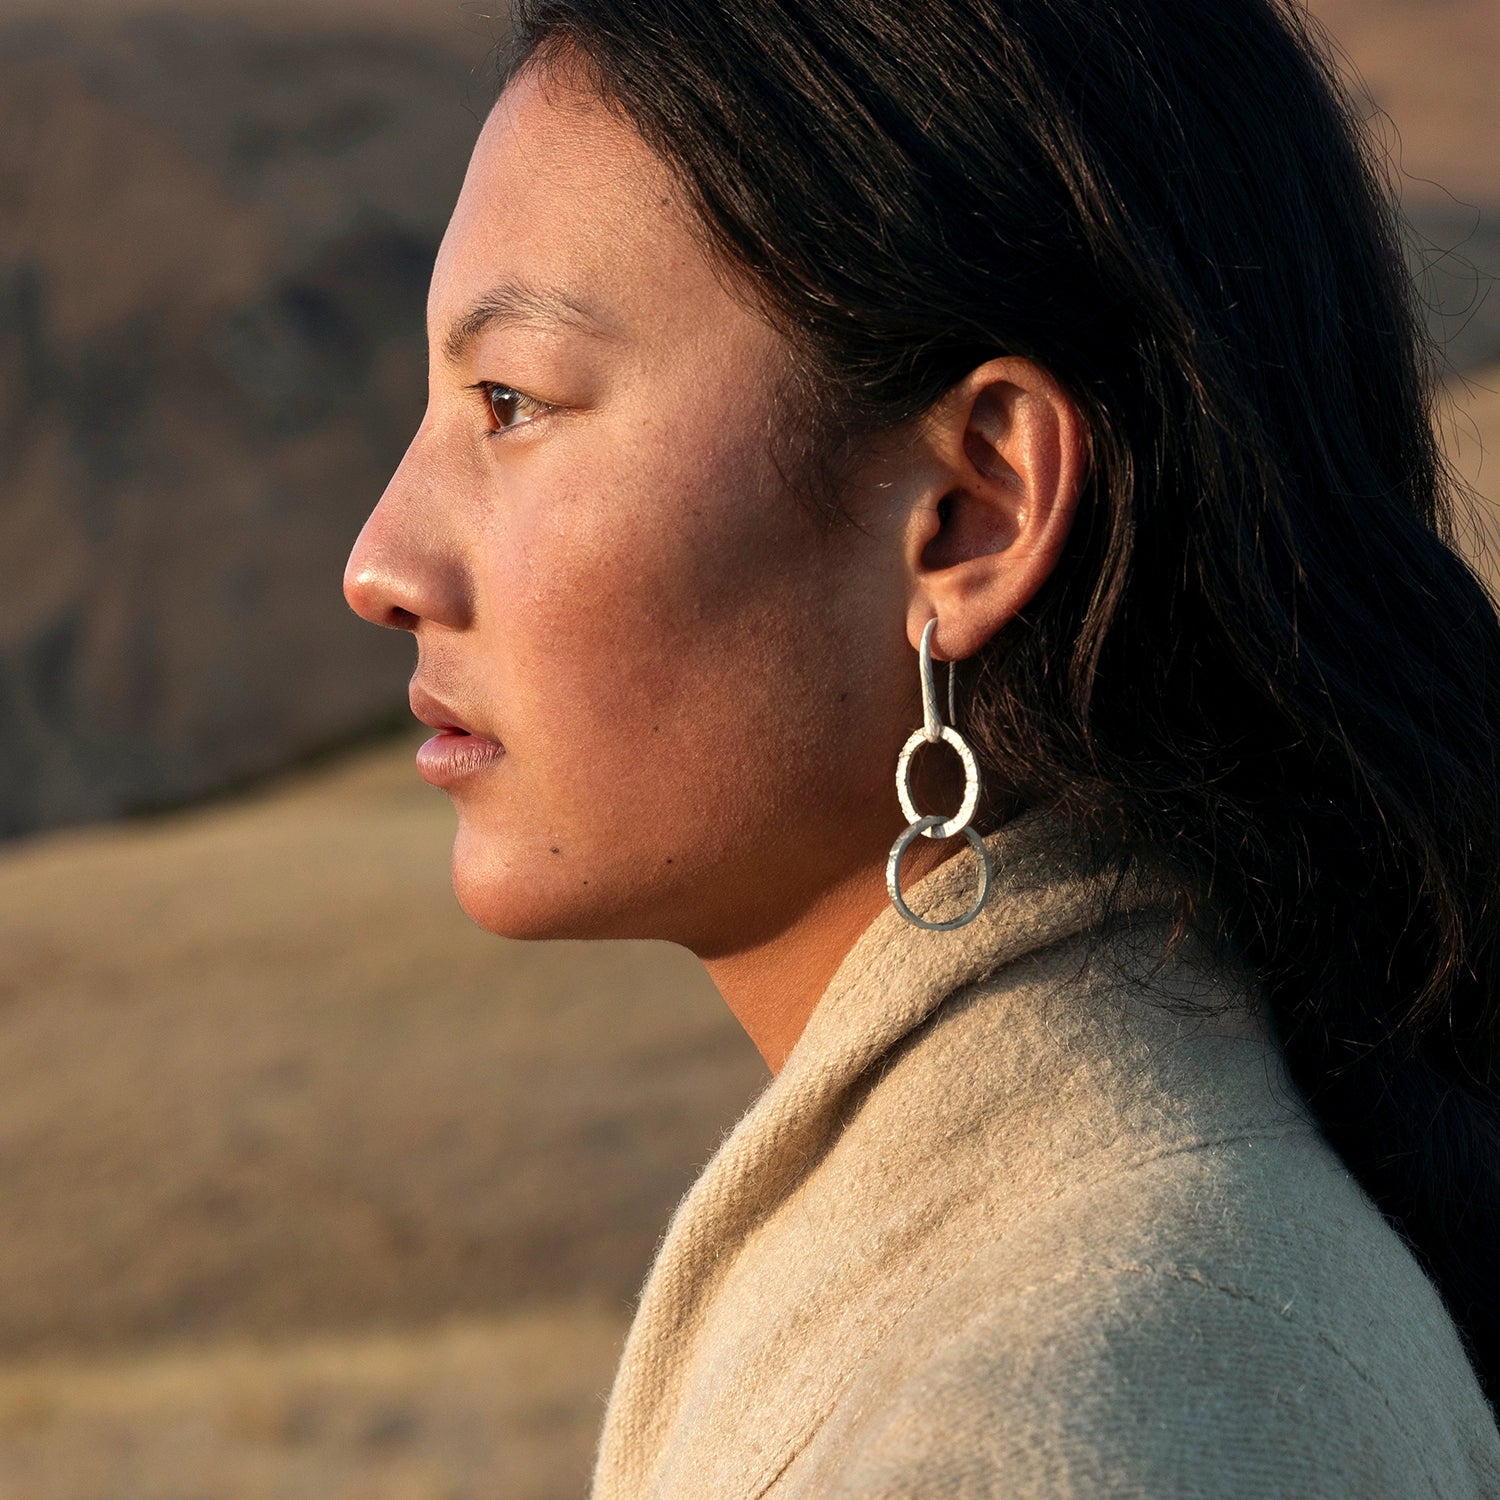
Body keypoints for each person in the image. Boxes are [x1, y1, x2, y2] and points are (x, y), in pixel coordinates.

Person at [342, 0, 1500, 1492]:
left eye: (512, 402)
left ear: (972, 511)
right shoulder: (1074, 1284)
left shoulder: (1063, 1413)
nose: (381, 563)